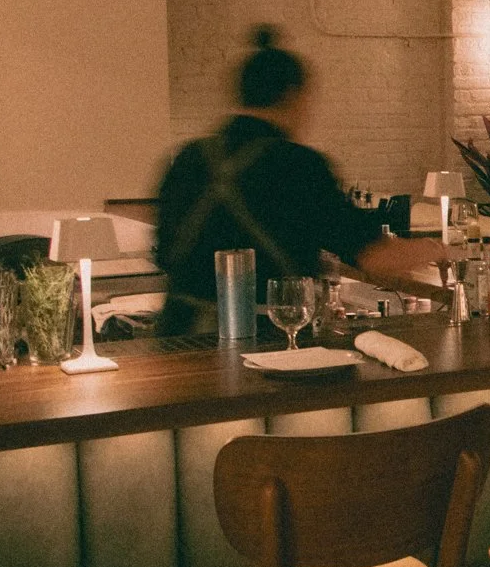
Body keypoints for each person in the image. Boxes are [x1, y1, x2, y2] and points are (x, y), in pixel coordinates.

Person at [153, 25, 445, 335]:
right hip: (264, 338)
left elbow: (165, 252)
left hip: (179, 337)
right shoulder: (300, 164)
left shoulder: (188, 158)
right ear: (293, 96)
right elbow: (374, 256)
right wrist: (438, 249)